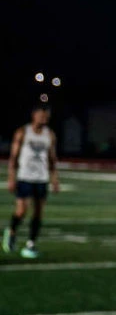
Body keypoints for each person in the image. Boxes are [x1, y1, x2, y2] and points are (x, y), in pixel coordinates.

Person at [2, 104, 60, 258]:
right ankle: (12, 231)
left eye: (46, 116)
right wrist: (11, 178)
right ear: (34, 115)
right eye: (41, 115)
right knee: (22, 211)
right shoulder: (23, 132)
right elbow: (13, 158)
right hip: (25, 177)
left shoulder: (50, 135)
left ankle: (31, 244)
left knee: (39, 213)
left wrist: (55, 179)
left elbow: (52, 159)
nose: (44, 118)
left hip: (41, 178)